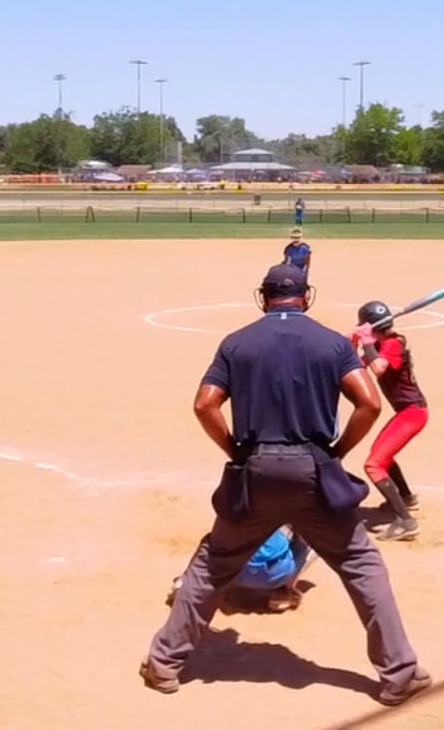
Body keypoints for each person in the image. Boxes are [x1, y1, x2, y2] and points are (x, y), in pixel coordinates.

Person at [141, 263, 428, 707]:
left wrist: (236, 451)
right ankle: (400, 673)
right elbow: (370, 403)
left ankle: (163, 664)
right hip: (314, 472)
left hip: (255, 472)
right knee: (361, 564)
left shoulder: (236, 343)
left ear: (263, 297)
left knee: (213, 564)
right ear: (306, 297)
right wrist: (337, 452)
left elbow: (204, 405)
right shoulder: (332, 343)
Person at [352, 301, 427, 541]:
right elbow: (355, 366)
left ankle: (406, 521)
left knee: (374, 464)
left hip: (413, 413)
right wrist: (354, 341)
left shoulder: (393, 344)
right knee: (382, 455)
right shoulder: (379, 344)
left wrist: (366, 341)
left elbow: (378, 368)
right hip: (406, 412)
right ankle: (405, 496)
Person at [166, 526, 314, 613]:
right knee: (311, 537)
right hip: (273, 576)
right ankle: (283, 593)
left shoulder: (241, 490)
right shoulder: (299, 494)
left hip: (230, 570)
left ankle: (187, 582)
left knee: (213, 538)